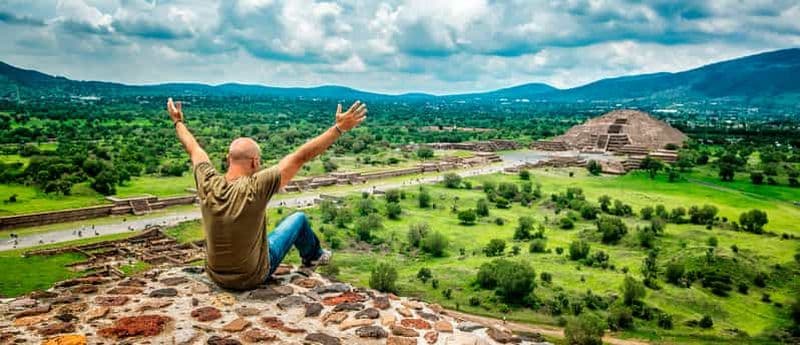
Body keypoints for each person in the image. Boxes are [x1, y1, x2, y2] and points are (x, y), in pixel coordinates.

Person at [167, 97, 367, 290]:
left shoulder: (208, 182)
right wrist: (339, 128)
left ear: (228, 159)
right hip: (252, 276)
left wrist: (178, 122)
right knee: (298, 219)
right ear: (255, 162)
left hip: (215, 274)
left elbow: (193, 148)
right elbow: (300, 156)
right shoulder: (256, 187)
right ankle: (314, 256)